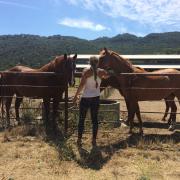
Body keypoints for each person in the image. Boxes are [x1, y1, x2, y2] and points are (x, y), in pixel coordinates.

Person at [73, 56, 109, 147]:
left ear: (89, 62)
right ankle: (93, 140)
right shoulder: (101, 71)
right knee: (95, 120)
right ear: (97, 63)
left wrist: (76, 96)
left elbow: (81, 85)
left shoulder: (86, 71)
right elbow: (107, 75)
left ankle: (79, 139)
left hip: (85, 98)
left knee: (81, 119)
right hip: (96, 98)